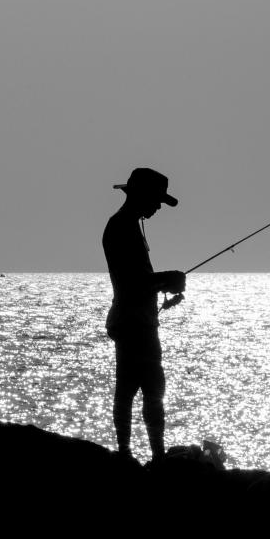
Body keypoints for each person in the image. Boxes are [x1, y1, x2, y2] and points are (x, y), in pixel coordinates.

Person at [103, 167, 186, 461]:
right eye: (156, 201)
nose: (157, 208)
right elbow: (133, 281)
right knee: (145, 387)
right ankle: (147, 456)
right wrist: (169, 278)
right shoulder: (122, 227)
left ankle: (134, 453)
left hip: (135, 320)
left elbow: (138, 280)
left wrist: (163, 284)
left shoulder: (125, 225)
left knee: (135, 387)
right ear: (142, 196)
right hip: (133, 323)